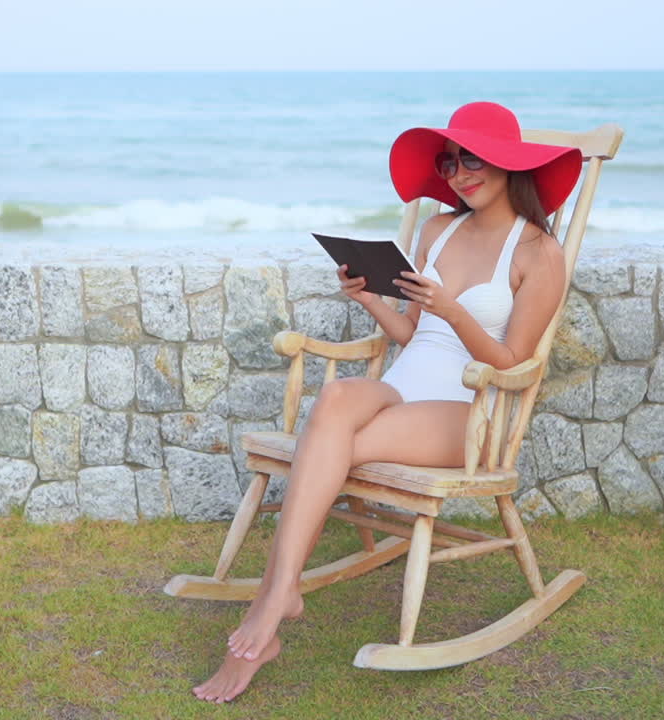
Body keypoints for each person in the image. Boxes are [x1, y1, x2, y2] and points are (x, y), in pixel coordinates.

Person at [192, 101, 583, 703]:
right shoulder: (437, 229)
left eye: (472, 159)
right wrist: (368, 298)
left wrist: (452, 309)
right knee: (340, 396)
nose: (459, 173)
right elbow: (411, 335)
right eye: (449, 162)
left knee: (329, 445)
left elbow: (513, 365)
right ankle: (280, 594)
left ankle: (272, 602)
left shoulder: (538, 254)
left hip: (467, 412)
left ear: (507, 164)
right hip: (404, 388)